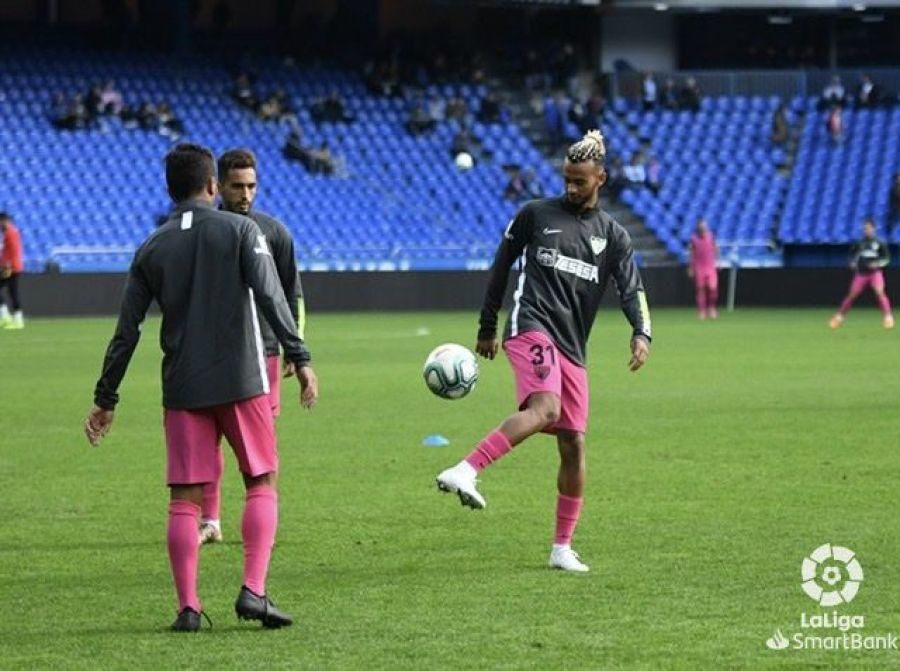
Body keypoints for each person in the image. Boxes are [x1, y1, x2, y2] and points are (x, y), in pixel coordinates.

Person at [83, 143, 319, 632]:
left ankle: (188, 608)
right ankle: (254, 591)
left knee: (184, 500)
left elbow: (127, 330)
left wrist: (106, 398)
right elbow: (273, 297)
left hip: (184, 387)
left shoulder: (151, 247)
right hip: (243, 378)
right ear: (213, 185)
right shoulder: (241, 231)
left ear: (170, 190)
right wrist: (301, 356)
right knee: (261, 480)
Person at [434, 130, 652, 573]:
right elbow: (502, 264)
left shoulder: (613, 236)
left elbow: (633, 289)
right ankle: (466, 469)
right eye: (567, 180)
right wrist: (487, 323)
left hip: (573, 345)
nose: (571, 188)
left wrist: (641, 333)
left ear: (601, 179)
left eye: (580, 181)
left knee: (573, 444)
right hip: (531, 326)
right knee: (547, 408)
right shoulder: (535, 214)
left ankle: (561, 548)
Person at [198, 148, 306, 545]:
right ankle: (211, 520)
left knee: (261, 443)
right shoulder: (204, 233)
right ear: (218, 186)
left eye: (252, 186)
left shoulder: (274, 233)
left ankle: (260, 518)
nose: (245, 194)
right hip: (215, 351)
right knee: (208, 439)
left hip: (266, 352)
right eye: (237, 186)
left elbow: (292, 294)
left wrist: (295, 348)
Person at [830, 219, 894, 330]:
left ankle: (888, 317)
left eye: (869, 228)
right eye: (865, 228)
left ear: (874, 229)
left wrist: (877, 264)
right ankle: (839, 317)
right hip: (861, 273)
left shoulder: (879, 243)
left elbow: (887, 258)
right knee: (852, 295)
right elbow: (852, 256)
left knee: (879, 292)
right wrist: (852, 263)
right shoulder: (859, 243)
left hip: (875, 273)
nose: (867, 230)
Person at [688, 218, 719, 320]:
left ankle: (711, 308)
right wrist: (691, 267)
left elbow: (716, 249)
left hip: (710, 265)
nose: (703, 227)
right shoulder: (693, 239)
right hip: (699, 266)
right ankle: (701, 311)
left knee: (713, 288)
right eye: (701, 226)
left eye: (704, 225)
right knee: (700, 289)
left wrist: (717, 261)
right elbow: (691, 253)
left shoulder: (711, 236)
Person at [0, 212, 25, 329]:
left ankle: (12, 319)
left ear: (4, 221)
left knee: (13, 292)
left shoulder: (11, 233)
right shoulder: (9, 232)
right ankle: (8, 317)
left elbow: (14, 251)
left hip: (11, 268)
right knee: (12, 292)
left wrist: (7, 266)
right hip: (10, 267)